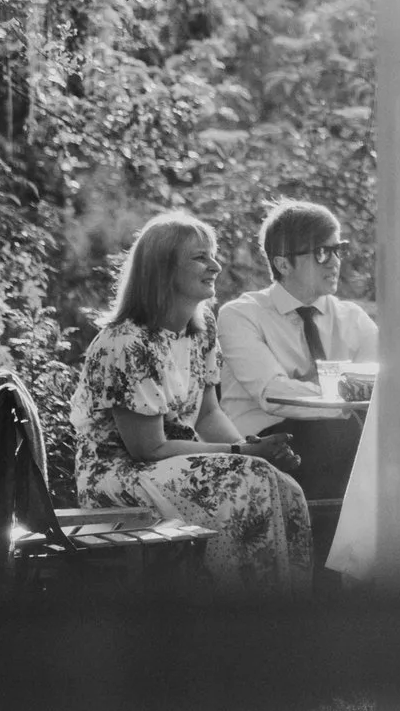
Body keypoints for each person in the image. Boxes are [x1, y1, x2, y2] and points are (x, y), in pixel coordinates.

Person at [71, 211, 312, 593]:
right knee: (244, 484)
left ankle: (288, 612)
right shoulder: (127, 343)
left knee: (285, 488)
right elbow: (148, 447)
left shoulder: (201, 330)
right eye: (201, 257)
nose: (215, 265)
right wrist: (241, 454)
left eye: (212, 255)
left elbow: (208, 412)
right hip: (119, 474)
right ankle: (233, 612)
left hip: (171, 461)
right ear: (163, 270)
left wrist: (252, 452)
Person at [214, 200, 380, 435]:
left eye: (337, 250)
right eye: (321, 253)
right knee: (347, 432)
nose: (334, 262)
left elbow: (380, 382)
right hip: (265, 445)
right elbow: (272, 394)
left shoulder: (353, 318)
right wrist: (346, 398)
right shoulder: (240, 315)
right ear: (283, 264)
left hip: (340, 437)